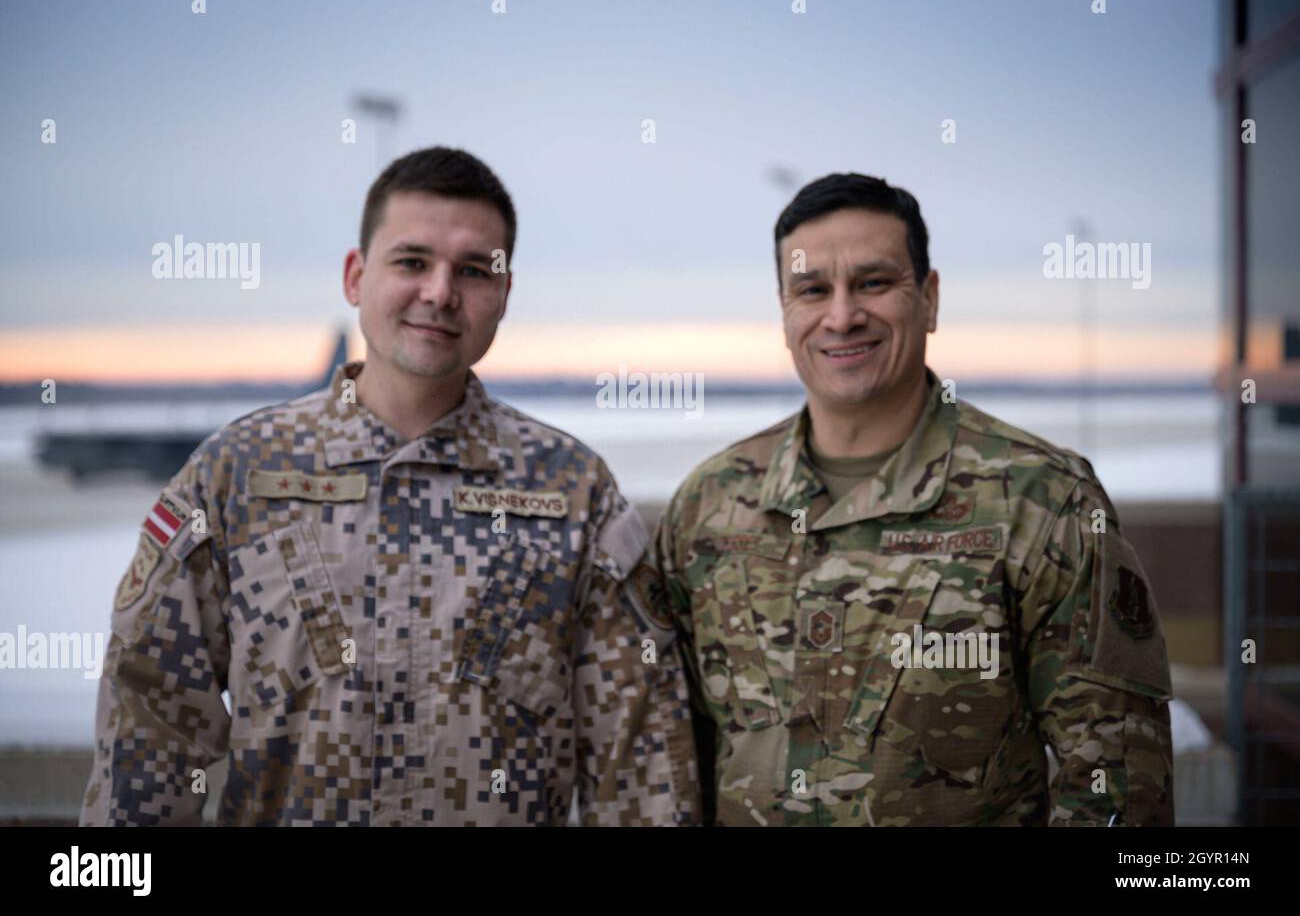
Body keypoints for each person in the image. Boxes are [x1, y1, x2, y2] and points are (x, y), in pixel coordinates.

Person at [80, 147, 698, 826]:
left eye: (472, 270)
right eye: (412, 262)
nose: (439, 292)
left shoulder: (573, 496)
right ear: (355, 276)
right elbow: (149, 736)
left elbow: (641, 770)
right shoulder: (235, 478)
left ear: (504, 296)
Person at [652, 173, 1174, 826]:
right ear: (785, 311)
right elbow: (668, 758)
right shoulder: (709, 506)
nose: (841, 315)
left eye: (873, 283)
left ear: (928, 299)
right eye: (813, 290)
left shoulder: (1045, 500)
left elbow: (1116, 788)